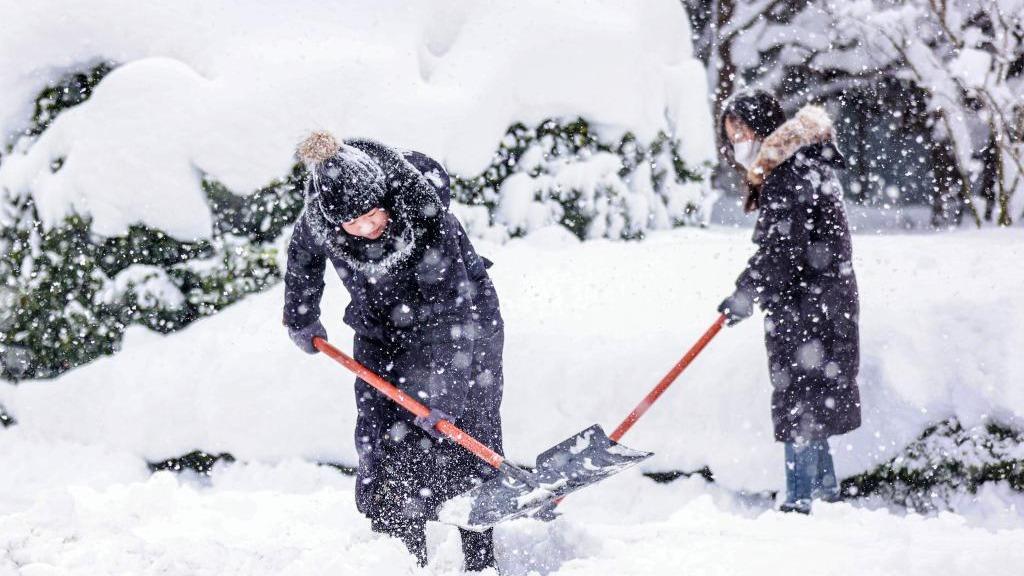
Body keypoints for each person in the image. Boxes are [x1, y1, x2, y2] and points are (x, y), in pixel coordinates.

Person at [283, 131, 504, 570]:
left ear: (385, 198)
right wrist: (300, 316)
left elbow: (453, 314)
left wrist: (445, 397)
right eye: (352, 223)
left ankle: (479, 561)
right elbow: (302, 257)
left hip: (462, 320)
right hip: (380, 328)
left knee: (464, 435)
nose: (365, 229)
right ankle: (399, 558)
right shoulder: (322, 217)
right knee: (382, 437)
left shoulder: (426, 216)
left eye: (371, 216)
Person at [716, 90, 862, 514]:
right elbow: (787, 248)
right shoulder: (802, 164)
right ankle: (824, 495)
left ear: (762, 127)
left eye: (741, 131)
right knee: (812, 400)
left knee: (801, 400)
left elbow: (782, 250)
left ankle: (800, 501)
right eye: (731, 135)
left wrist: (745, 294)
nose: (736, 142)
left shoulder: (789, 170)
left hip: (809, 306)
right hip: (819, 301)